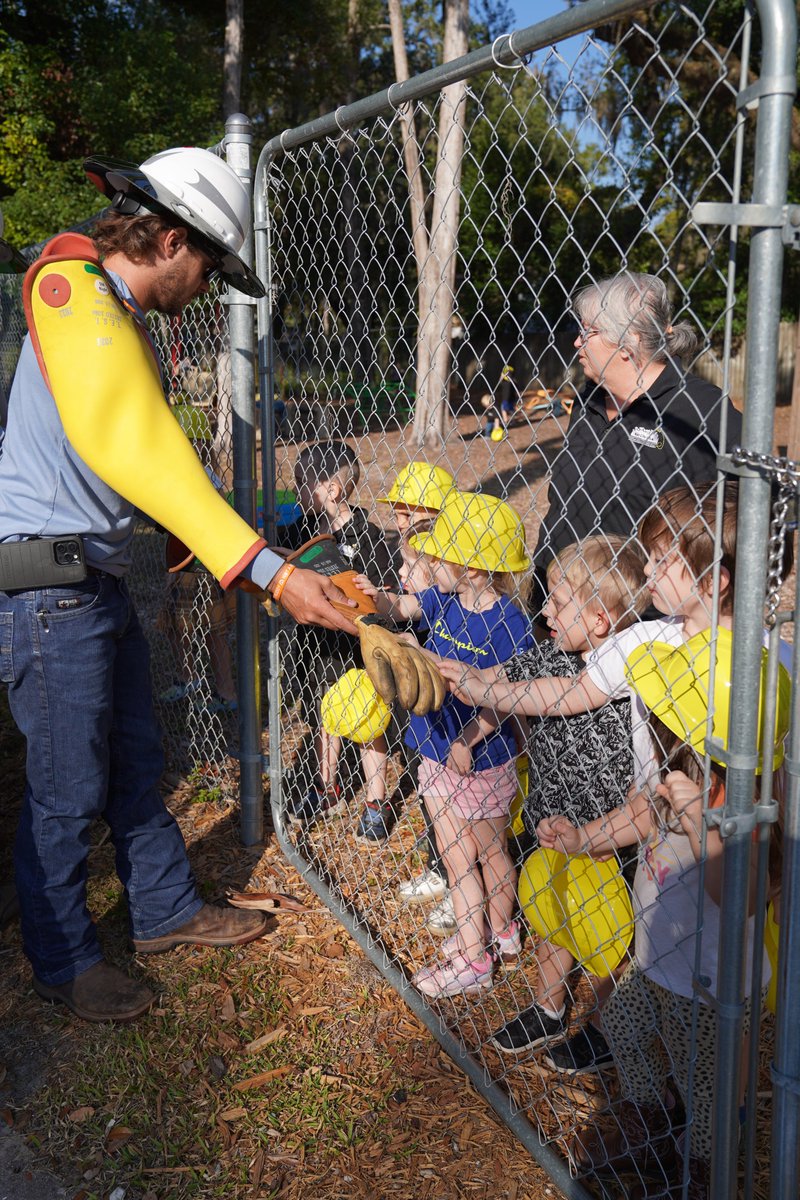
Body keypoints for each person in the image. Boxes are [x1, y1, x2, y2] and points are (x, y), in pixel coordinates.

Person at [0, 146, 356, 1024]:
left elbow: (137, 461)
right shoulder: (71, 293)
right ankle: (63, 958)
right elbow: (137, 446)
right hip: (48, 592)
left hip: (88, 581)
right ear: (164, 237)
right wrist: (267, 572)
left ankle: (161, 909)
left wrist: (243, 556)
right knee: (65, 785)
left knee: (137, 760)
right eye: (207, 266)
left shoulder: (108, 313)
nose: (206, 288)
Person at [545, 628, 789, 1200]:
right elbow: (639, 818)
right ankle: (657, 1122)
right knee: (623, 1030)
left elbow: (740, 897)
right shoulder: (673, 780)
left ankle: (705, 1166)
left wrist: (703, 819)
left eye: (667, 714)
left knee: (705, 1086)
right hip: (656, 967)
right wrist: (581, 837)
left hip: (709, 990)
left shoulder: (743, 813)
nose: (652, 720)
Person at [361, 491, 536, 999]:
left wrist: (471, 734)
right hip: (435, 747)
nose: (427, 562)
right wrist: (375, 599)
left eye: (438, 556)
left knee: (484, 853)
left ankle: (475, 954)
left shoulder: (510, 623)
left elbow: (509, 692)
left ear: (476, 570)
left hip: (481, 759)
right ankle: (490, 936)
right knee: (462, 854)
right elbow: (403, 606)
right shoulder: (444, 598)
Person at [487, 534, 648, 1058]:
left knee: (608, 933)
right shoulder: (551, 657)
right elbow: (501, 680)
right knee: (550, 911)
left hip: (607, 835)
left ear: (600, 620)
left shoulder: (634, 681)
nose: (545, 610)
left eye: (558, 602)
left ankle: (601, 1026)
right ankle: (549, 1007)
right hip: (553, 819)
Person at [531, 272, 743, 612]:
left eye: (591, 331)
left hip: (644, 618)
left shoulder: (701, 410)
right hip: (561, 603)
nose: (577, 342)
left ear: (628, 341)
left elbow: (747, 509)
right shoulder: (589, 400)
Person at [287, 440, 398, 836]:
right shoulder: (307, 528)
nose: (296, 489)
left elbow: (377, 589)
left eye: (303, 483)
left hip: (356, 647)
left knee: (368, 724)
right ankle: (327, 784)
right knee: (327, 716)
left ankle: (376, 801)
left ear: (331, 490)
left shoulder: (366, 535)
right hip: (321, 646)